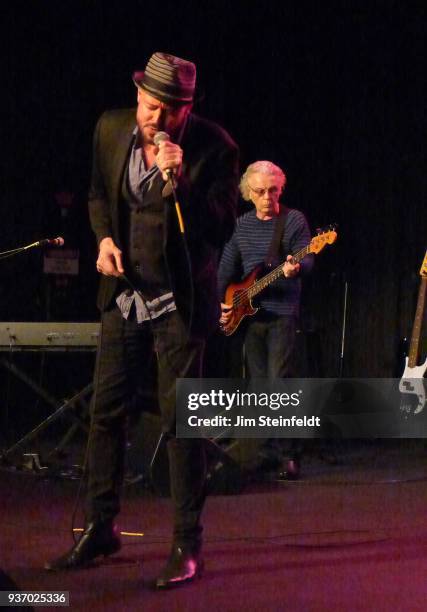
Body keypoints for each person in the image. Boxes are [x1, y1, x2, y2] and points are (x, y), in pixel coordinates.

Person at [45, 52, 239, 588]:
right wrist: (104, 239)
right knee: (106, 413)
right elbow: (96, 198)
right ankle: (101, 526)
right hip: (124, 295)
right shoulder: (110, 129)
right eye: (148, 105)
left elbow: (221, 229)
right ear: (137, 96)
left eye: (168, 111)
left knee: (182, 423)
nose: (154, 118)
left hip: (179, 301)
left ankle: (186, 544)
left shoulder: (214, 147)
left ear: (187, 109)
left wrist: (181, 183)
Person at [218, 161, 313, 478]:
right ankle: (264, 451)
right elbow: (226, 265)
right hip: (250, 317)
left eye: (273, 190)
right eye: (260, 191)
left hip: (283, 314)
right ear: (248, 193)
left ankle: (289, 454)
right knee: (259, 386)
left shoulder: (293, 220)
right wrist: (222, 302)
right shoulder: (242, 224)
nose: (267, 197)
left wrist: (295, 267)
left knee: (278, 381)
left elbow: (308, 257)